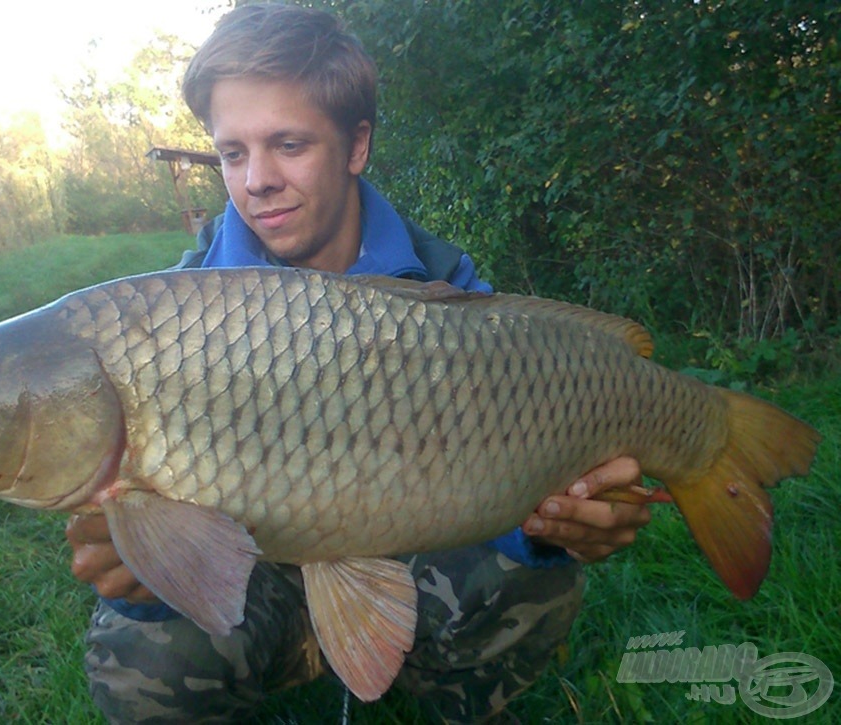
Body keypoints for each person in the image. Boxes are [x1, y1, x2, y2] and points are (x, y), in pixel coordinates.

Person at [66, 5, 653, 723]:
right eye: (232, 152)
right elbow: (154, 538)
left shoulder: (444, 286)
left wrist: (557, 524)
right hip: (257, 565)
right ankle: (297, 648)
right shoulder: (176, 318)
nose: (257, 180)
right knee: (141, 653)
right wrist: (147, 571)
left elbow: (509, 470)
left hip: (411, 548)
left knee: (523, 581)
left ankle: (427, 679)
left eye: (288, 143)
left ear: (356, 145)